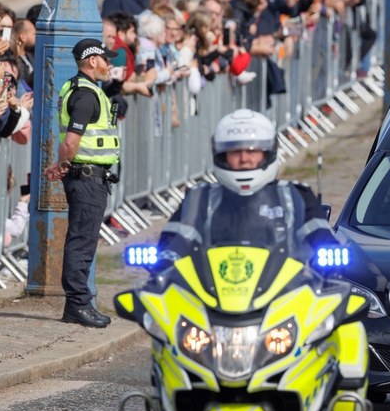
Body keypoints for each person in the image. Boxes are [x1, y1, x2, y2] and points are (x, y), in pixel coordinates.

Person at [157, 109, 337, 258]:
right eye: (235, 152)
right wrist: (166, 258)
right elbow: (174, 242)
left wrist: (331, 254)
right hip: (210, 293)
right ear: (221, 155)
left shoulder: (295, 196)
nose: (244, 159)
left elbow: (323, 240)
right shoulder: (201, 198)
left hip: (286, 293)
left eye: (252, 151)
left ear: (268, 153)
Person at [41, 39, 122, 329]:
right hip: (87, 178)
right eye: (104, 59)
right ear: (91, 61)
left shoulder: (79, 88)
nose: (108, 64)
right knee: (82, 241)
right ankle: (77, 304)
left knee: (83, 239)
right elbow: (72, 141)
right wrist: (62, 163)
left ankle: (78, 303)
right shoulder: (86, 95)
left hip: (86, 176)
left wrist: (61, 164)